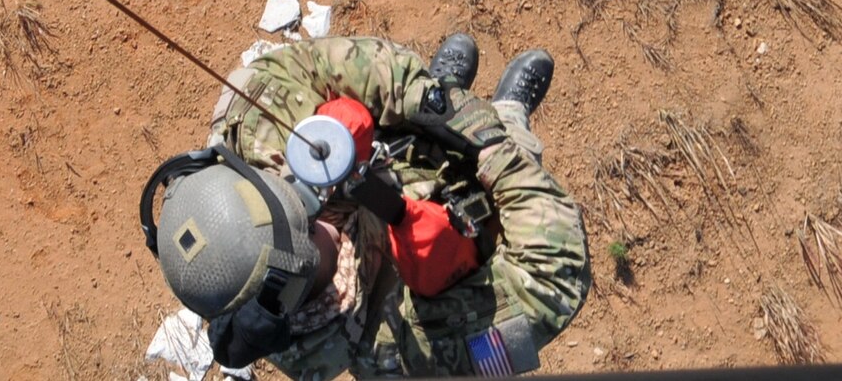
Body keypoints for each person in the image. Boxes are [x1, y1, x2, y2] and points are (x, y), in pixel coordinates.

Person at [142, 32, 588, 377]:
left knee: (425, 99)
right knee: (507, 150)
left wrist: (425, 100)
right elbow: (556, 278)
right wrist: (495, 148)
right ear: (292, 272)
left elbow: (319, 63)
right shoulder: (402, 357)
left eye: (277, 185)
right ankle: (512, 113)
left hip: (410, 152)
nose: (308, 191)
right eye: (304, 219)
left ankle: (446, 86)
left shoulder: (249, 131)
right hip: (479, 223)